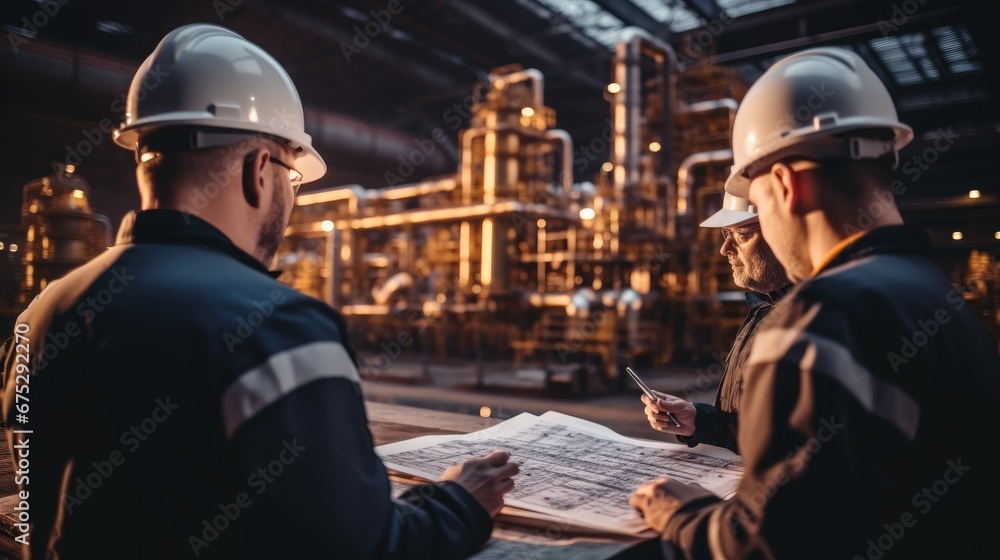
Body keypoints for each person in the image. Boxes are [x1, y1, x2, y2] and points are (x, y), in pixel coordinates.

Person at [1, 24, 517, 560]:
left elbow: (45, 495)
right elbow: (368, 547)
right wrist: (460, 500)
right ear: (258, 171)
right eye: (293, 180)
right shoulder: (279, 326)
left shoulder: (39, 314)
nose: (291, 199)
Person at [630, 47, 1000, 559]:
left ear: (785, 183)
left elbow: (769, 546)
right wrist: (705, 421)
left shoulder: (822, 315)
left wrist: (681, 515)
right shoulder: (937, 296)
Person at [641, 192, 790, 454]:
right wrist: (698, 421)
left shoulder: (819, 319)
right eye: (725, 234)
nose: (725, 249)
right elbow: (757, 432)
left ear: (788, 232)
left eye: (742, 234)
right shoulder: (764, 309)